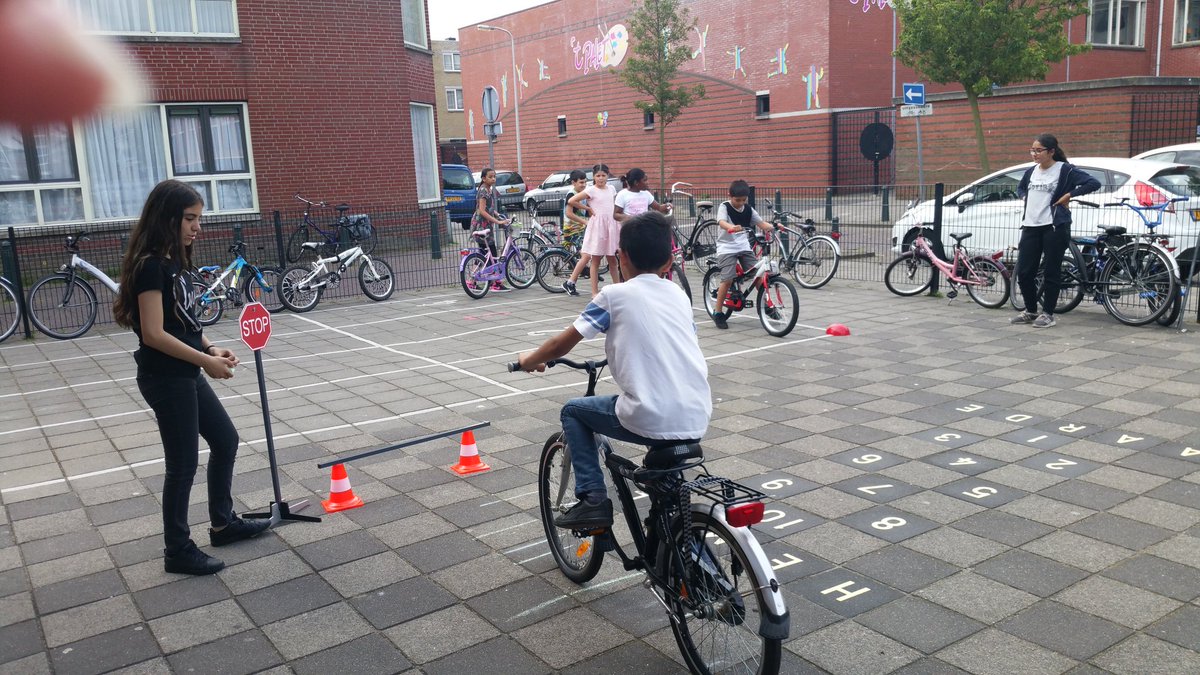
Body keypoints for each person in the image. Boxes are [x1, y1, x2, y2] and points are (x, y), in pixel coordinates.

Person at [113, 180, 270, 576]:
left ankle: (223, 523)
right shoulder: (150, 266)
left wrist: (211, 348)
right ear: (166, 218)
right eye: (189, 219)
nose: (197, 227)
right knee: (182, 464)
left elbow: (182, 322)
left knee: (225, 439)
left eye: (199, 219)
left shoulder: (174, 262)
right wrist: (204, 361)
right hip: (165, 377)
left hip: (185, 371)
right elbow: (154, 334)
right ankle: (178, 550)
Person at [516, 211, 712, 528]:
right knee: (668, 492)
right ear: (668, 262)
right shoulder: (678, 295)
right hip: (697, 412)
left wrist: (530, 360)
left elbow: (559, 345)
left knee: (573, 411)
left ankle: (593, 499)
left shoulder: (614, 295)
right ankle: (675, 536)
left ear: (621, 257)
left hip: (650, 413)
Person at [1011, 134, 1101, 328]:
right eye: (1032, 150)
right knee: (1025, 272)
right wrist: (1025, 197)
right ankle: (1031, 310)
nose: (1034, 154)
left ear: (1051, 151)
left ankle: (1048, 314)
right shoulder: (1031, 171)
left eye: (1039, 150)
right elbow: (1020, 188)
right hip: (1030, 226)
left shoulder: (1065, 170)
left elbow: (1093, 183)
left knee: (1051, 271)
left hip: (1054, 226)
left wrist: (1070, 195)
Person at [710, 180, 776, 329]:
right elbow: (721, 222)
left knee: (758, 275)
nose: (740, 203)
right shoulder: (724, 207)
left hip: (743, 247)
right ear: (729, 196)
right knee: (727, 279)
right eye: (737, 200)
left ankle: (767, 306)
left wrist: (774, 227)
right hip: (726, 248)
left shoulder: (748, 209)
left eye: (743, 200)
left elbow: (761, 223)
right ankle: (718, 312)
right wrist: (731, 227)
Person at [563, 164, 621, 297]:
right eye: (598, 176)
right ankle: (594, 292)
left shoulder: (611, 189)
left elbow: (614, 204)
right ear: (594, 177)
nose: (600, 178)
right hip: (598, 227)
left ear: (607, 176)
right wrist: (588, 208)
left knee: (613, 260)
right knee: (595, 260)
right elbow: (572, 200)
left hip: (611, 226)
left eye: (603, 175)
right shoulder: (591, 190)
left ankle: (617, 289)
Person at [472, 168, 510, 292]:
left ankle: (473, 282)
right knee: (491, 253)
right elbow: (482, 211)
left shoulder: (488, 189)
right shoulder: (483, 190)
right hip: (482, 225)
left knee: (484, 254)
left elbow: (488, 208)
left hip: (486, 225)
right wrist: (497, 222)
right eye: (490, 177)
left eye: (494, 176)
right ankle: (494, 283)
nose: (493, 179)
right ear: (484, 178)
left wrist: (497, 215)